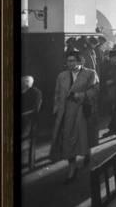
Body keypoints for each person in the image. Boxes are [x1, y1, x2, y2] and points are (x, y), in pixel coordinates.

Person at [50, 50, 98, 182]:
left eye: (72, 61)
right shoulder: (62, 75)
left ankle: (86, 153)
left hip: (82, 111)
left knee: (83, 137)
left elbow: (95, 90)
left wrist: (81, 95)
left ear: (79, 61)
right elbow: (57, 93)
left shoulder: (90, 73)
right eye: (67, 61)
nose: (69, 64)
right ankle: (72, 168)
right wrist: (56, 109)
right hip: (65, 112)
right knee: (68, 139)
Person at [21, 75, 42, 170]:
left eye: (27, 81)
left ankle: (31, 164)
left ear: (31, 82)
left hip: (30, 119)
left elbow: (35, 109)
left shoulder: (36, 92)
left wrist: (23, 114)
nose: (24, 82)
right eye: (23, 80)